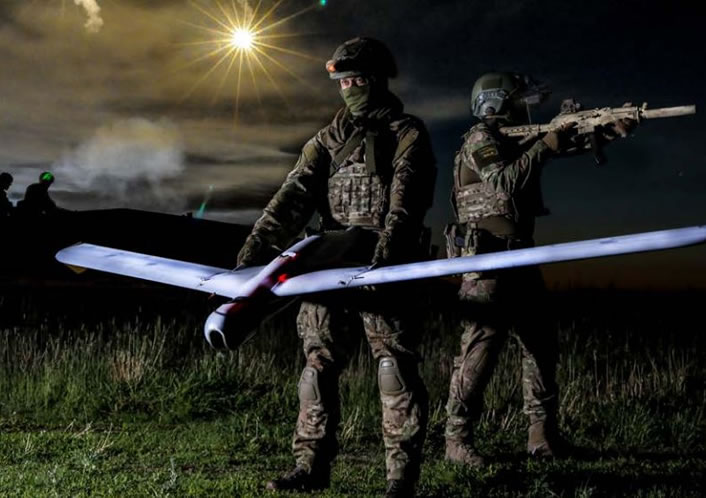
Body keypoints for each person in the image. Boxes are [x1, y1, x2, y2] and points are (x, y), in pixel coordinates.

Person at [236, 37, 436, 497]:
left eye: (357, 80)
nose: (349, 89)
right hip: (328, 266)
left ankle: (400, 478)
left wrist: (387, 255)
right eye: (343, 82)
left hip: (383, 267)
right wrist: (257, 249)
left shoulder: (406, 133)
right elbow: (293, 195)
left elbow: (407, 197)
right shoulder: (327, 140)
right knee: (317, 366)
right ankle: (309, 467)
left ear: (377, 80)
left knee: (394, 369)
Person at [444, 72, 635, 466]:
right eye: (517, 100)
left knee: (540, 347)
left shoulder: (511, 141)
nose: (524, 108)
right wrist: (547, 143)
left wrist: (606, 130)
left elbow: (558, 148)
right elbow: (504, 182)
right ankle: (456, 440)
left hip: (520, 257)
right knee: (479, 351)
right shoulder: (481, 139)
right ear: (497, 102)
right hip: (486, 262)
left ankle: (542, 438)